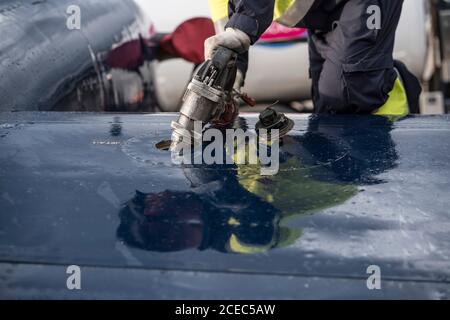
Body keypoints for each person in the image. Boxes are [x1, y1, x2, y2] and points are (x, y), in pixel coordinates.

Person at [206, 0, 422, 116]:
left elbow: (243, 20)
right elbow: (228, 33)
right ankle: (373, 74)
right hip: (320, 10)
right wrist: (234, 71)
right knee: (329, 103)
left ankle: (385, 81)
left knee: (350, 90)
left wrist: (242, 28)